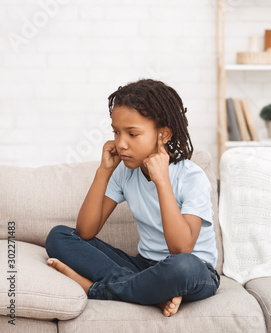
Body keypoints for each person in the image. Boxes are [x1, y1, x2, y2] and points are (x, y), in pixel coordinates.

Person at [45, 79, 220, 317]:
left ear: (163, 134)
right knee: (59, 236)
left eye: (132, 134)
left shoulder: (191, 177)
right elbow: (85, 231)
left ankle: (96, 290)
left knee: (183, 267)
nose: (121, 144)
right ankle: (150, 293)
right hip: (143, 267)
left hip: (194, 271)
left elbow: (181, 249)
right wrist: (103, 171)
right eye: (116, 132)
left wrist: (162, 181)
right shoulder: (124, 172)